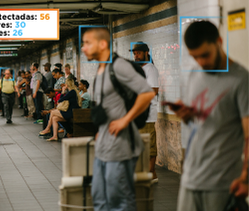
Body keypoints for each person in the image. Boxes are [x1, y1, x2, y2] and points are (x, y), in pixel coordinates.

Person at [165, 21, 248, 211]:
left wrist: (246, 178)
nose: (201, 62)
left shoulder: (241, 80)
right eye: (195, 57)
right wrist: (185, 114)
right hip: (190, 179)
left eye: (205, 55)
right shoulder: (195, 74)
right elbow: (196, 121)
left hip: (222, 182)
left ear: (219, 42)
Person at [82, 27, 155, 211]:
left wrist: (125, 120)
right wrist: (100, 130)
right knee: (99, 200)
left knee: (120, 202)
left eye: (87, 43)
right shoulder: (101, 69)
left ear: (103, 44)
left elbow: (147, 93)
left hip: (120, 146)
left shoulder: (118, 66)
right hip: (103, 147)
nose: (83, 48)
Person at [132, 42, 160, 183]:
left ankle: (152, 173)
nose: (136, 56)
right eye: (134, 53)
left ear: (146, 53)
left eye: (138, 53)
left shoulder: (150, 69)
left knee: (149, 144)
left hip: (147, 114)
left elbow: (154, 90)